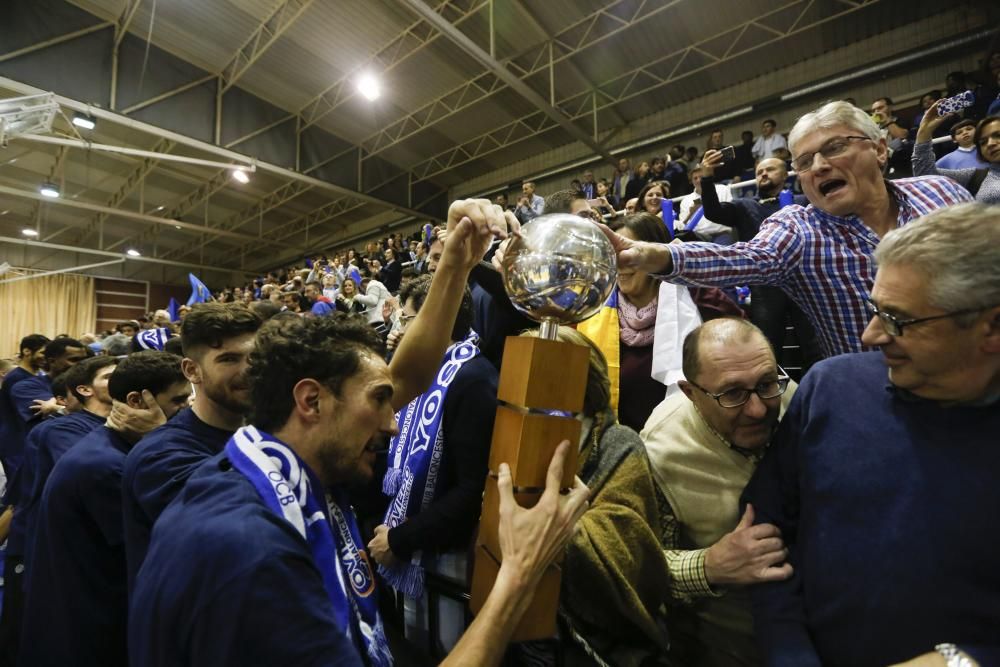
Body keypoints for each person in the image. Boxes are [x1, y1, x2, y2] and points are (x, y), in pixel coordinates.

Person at [129, 201, 590, 667]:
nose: (393, 423)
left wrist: (455, 264)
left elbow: (407, 376)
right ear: (310, 401)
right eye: (378, 402)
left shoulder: (272, 471)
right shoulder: (249, 552)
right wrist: (519, 574)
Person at [744, 202, 1000, 666]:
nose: (869, 335)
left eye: (898, 320)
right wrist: (790, 654)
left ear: (992, 326)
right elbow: (765, 536)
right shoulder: (830, 389)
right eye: (874, 309)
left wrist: (965, 661)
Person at [597, 101, 973, 358]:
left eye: (835, 147)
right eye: (806, 161)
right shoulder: (798, 228)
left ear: (878, 149)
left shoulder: (942, 193)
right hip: (881, 397)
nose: (820, 166)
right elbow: (741, 257)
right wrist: (652, 254)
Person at [19, 352, 190, 667]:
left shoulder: (114, 449)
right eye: (179, 400)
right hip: (91, 628)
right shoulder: (106, 466)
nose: (188, 409)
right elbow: (173, 545)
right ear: (138, 401)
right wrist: (160, 437)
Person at [513, 326, 671, 666]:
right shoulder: (513, 441)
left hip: (594, 645)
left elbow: (628, 550)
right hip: (523, 633)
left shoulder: (619, 444)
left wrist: (558, 528)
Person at [641, 318, 796, 666]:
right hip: (724, 650)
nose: (758, 409)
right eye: (733, 394)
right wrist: (709, 566)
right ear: (690, 393)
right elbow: (641, 570)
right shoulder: (660, 452)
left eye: (766, 384)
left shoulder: (795, 399)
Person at [368, 275, 498, 652]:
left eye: (407, 320)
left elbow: (472, 489)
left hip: (444, 558)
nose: (399, 330)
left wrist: (402, 539)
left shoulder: (472, 378)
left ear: (433, 320)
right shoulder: (421, 373)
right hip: (407, 545)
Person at [121, 303, 263, 588]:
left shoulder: (259, 434)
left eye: (257, 357)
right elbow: (237, 534)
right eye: (229, 359)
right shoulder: (161, 455)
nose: (249, 370)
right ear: (192, 370)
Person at [577, 213, 743, 432]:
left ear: (653, 255)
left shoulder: (697, 299)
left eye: (626, 253)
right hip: (624, 446)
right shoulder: (594, 312)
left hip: (691, 442)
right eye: (612, 255)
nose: (620, 264)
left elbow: (741, 350)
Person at [0, 356, 116, 667]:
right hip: (34, 549)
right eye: (109, 376)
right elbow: (19, 502)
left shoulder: (122, 431)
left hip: (80, 555)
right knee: (23, 637)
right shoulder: (59, 430)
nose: (119, 380)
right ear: (85, 389)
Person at [698, 151, 822, 370]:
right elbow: (713, 212)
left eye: (770, 170)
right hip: (766, 288)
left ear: (785, 175)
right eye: (759, 172)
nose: (763, 174)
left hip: (806, 283)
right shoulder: (745, 206)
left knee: (815, 349)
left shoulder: (805, 202)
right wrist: (707, 178)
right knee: (767, 350)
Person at [913, 106, 999, 203]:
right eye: (983, 142)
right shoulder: (977, 176)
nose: (990, 143)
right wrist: (924, 131)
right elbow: (925, 173)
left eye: (998, 135)